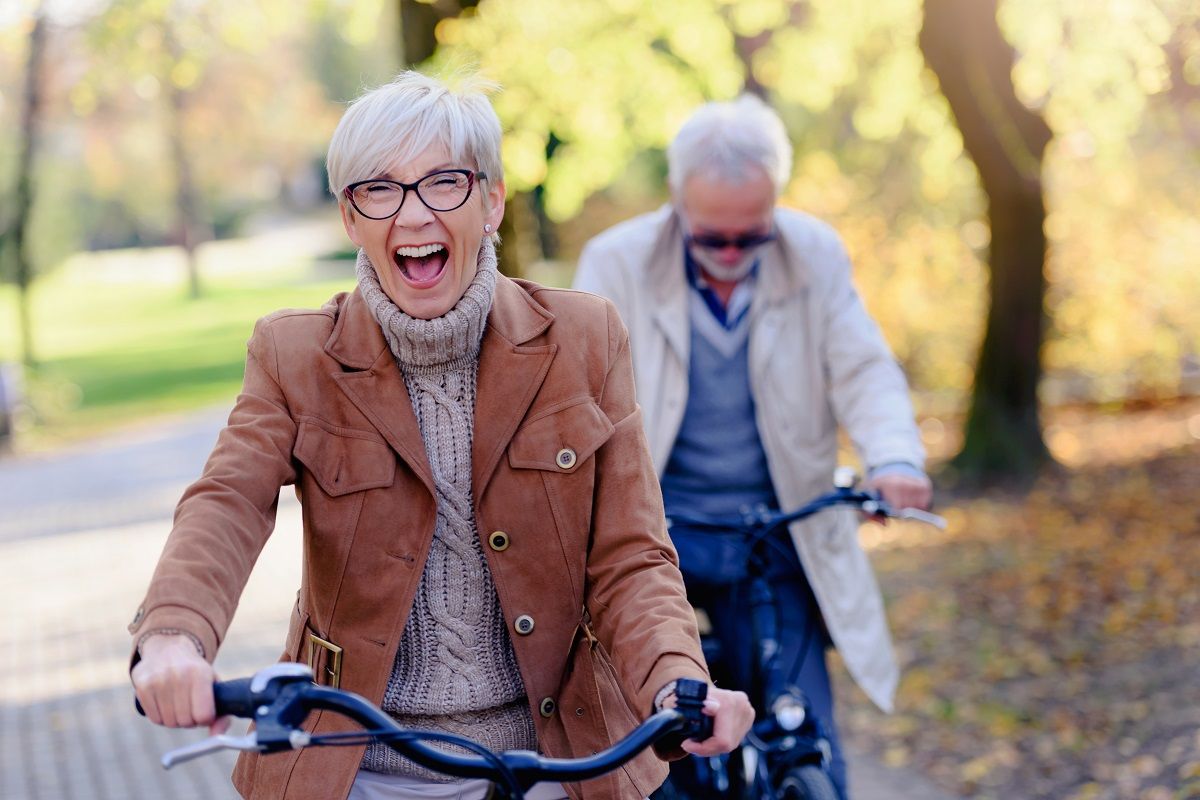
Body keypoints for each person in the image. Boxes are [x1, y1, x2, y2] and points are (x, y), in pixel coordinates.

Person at [129, 71, 753, 800]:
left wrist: (679, 681)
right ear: (349, 217)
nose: (414, 215)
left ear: (491, 202)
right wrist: (174, 637)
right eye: (379, 189)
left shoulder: (585, 340)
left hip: (553, 762)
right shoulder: (294, 356)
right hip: (360, 770)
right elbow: (225, 503)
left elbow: (631, 558)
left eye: (444, 183)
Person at [572, 95, 932, 798]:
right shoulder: (615, 263)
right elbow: (569, 399)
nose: (733, 254)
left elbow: (862, 368)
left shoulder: (815, 254)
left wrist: (895, 459)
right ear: (677, 205)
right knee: (650, 741)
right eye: (714, 239)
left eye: (753, 237)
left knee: (807, 735)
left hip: (774, 533)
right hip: (651, 540)